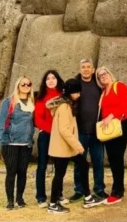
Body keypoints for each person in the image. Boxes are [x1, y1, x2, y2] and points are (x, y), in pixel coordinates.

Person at [46, 78, 105, 214]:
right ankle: (53, 204)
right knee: (60, 174)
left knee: (82, 165)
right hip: (63, 147)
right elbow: (64, 130)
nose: (79, 95)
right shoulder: (65, 107)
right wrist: (78, 145)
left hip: (66, 147)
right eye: (77, 92)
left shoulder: (67, 104)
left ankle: (88, 197)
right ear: (70, 92)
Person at [0, 76, 35, 210]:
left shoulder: (32, 102)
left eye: (29, 84)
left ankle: (20, 199)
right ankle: (10, 201)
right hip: (10, 143)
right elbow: (1, 123)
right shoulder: (9, 102)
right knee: (11, 172)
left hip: (26, 144)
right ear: (18, 86)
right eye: (23, 84)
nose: (26, 86)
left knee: (22, 172)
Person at [70, 59, 107, 203]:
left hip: (97, 131)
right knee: (80, 163)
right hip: (80, 131)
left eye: (88, 67)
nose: (86, 69)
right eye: (83, 67)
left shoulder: (99, 86)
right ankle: (79, 190)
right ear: (80, 70)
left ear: (93, 69)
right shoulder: (75, 85)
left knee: (98, 161)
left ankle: (99, 189)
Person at [95, 67, 127, 205]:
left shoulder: (120, 86)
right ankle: (118, 188)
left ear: (110, 74)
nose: (103, 77)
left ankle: (117, 192)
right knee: (112, 158)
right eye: (100, 76)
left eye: (104, 74)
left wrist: (111, 116)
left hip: (121, 124)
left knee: (116, 157)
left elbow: (125, 105)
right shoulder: (103, 92)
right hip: (109, 128)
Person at [34, 70, 64, 208]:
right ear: (44, 82)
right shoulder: (41, 97)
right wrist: (50, 130)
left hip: (60, 135)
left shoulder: (63, 96)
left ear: (58, 80)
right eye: (48, 78)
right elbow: (38, 119)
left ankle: (58, 194)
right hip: (46, 134)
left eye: (53, 78)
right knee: (42, 166)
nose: (51, 80)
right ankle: (41, 196)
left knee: (59, 166)